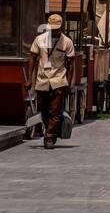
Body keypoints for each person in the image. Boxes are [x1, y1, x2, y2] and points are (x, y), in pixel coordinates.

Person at [25, 13, 76, 149]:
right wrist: (29, 79)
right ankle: (49, 130)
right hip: (42, 79)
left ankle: (49, 136)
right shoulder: (39, 40)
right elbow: (32, 58)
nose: (54, 31)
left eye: (57, 28)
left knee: (55, 110)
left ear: (61, 27)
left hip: (58, 80)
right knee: (43, 108)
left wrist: (69, 83)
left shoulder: (67, 42)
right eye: (52, 28)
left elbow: (71, 64)